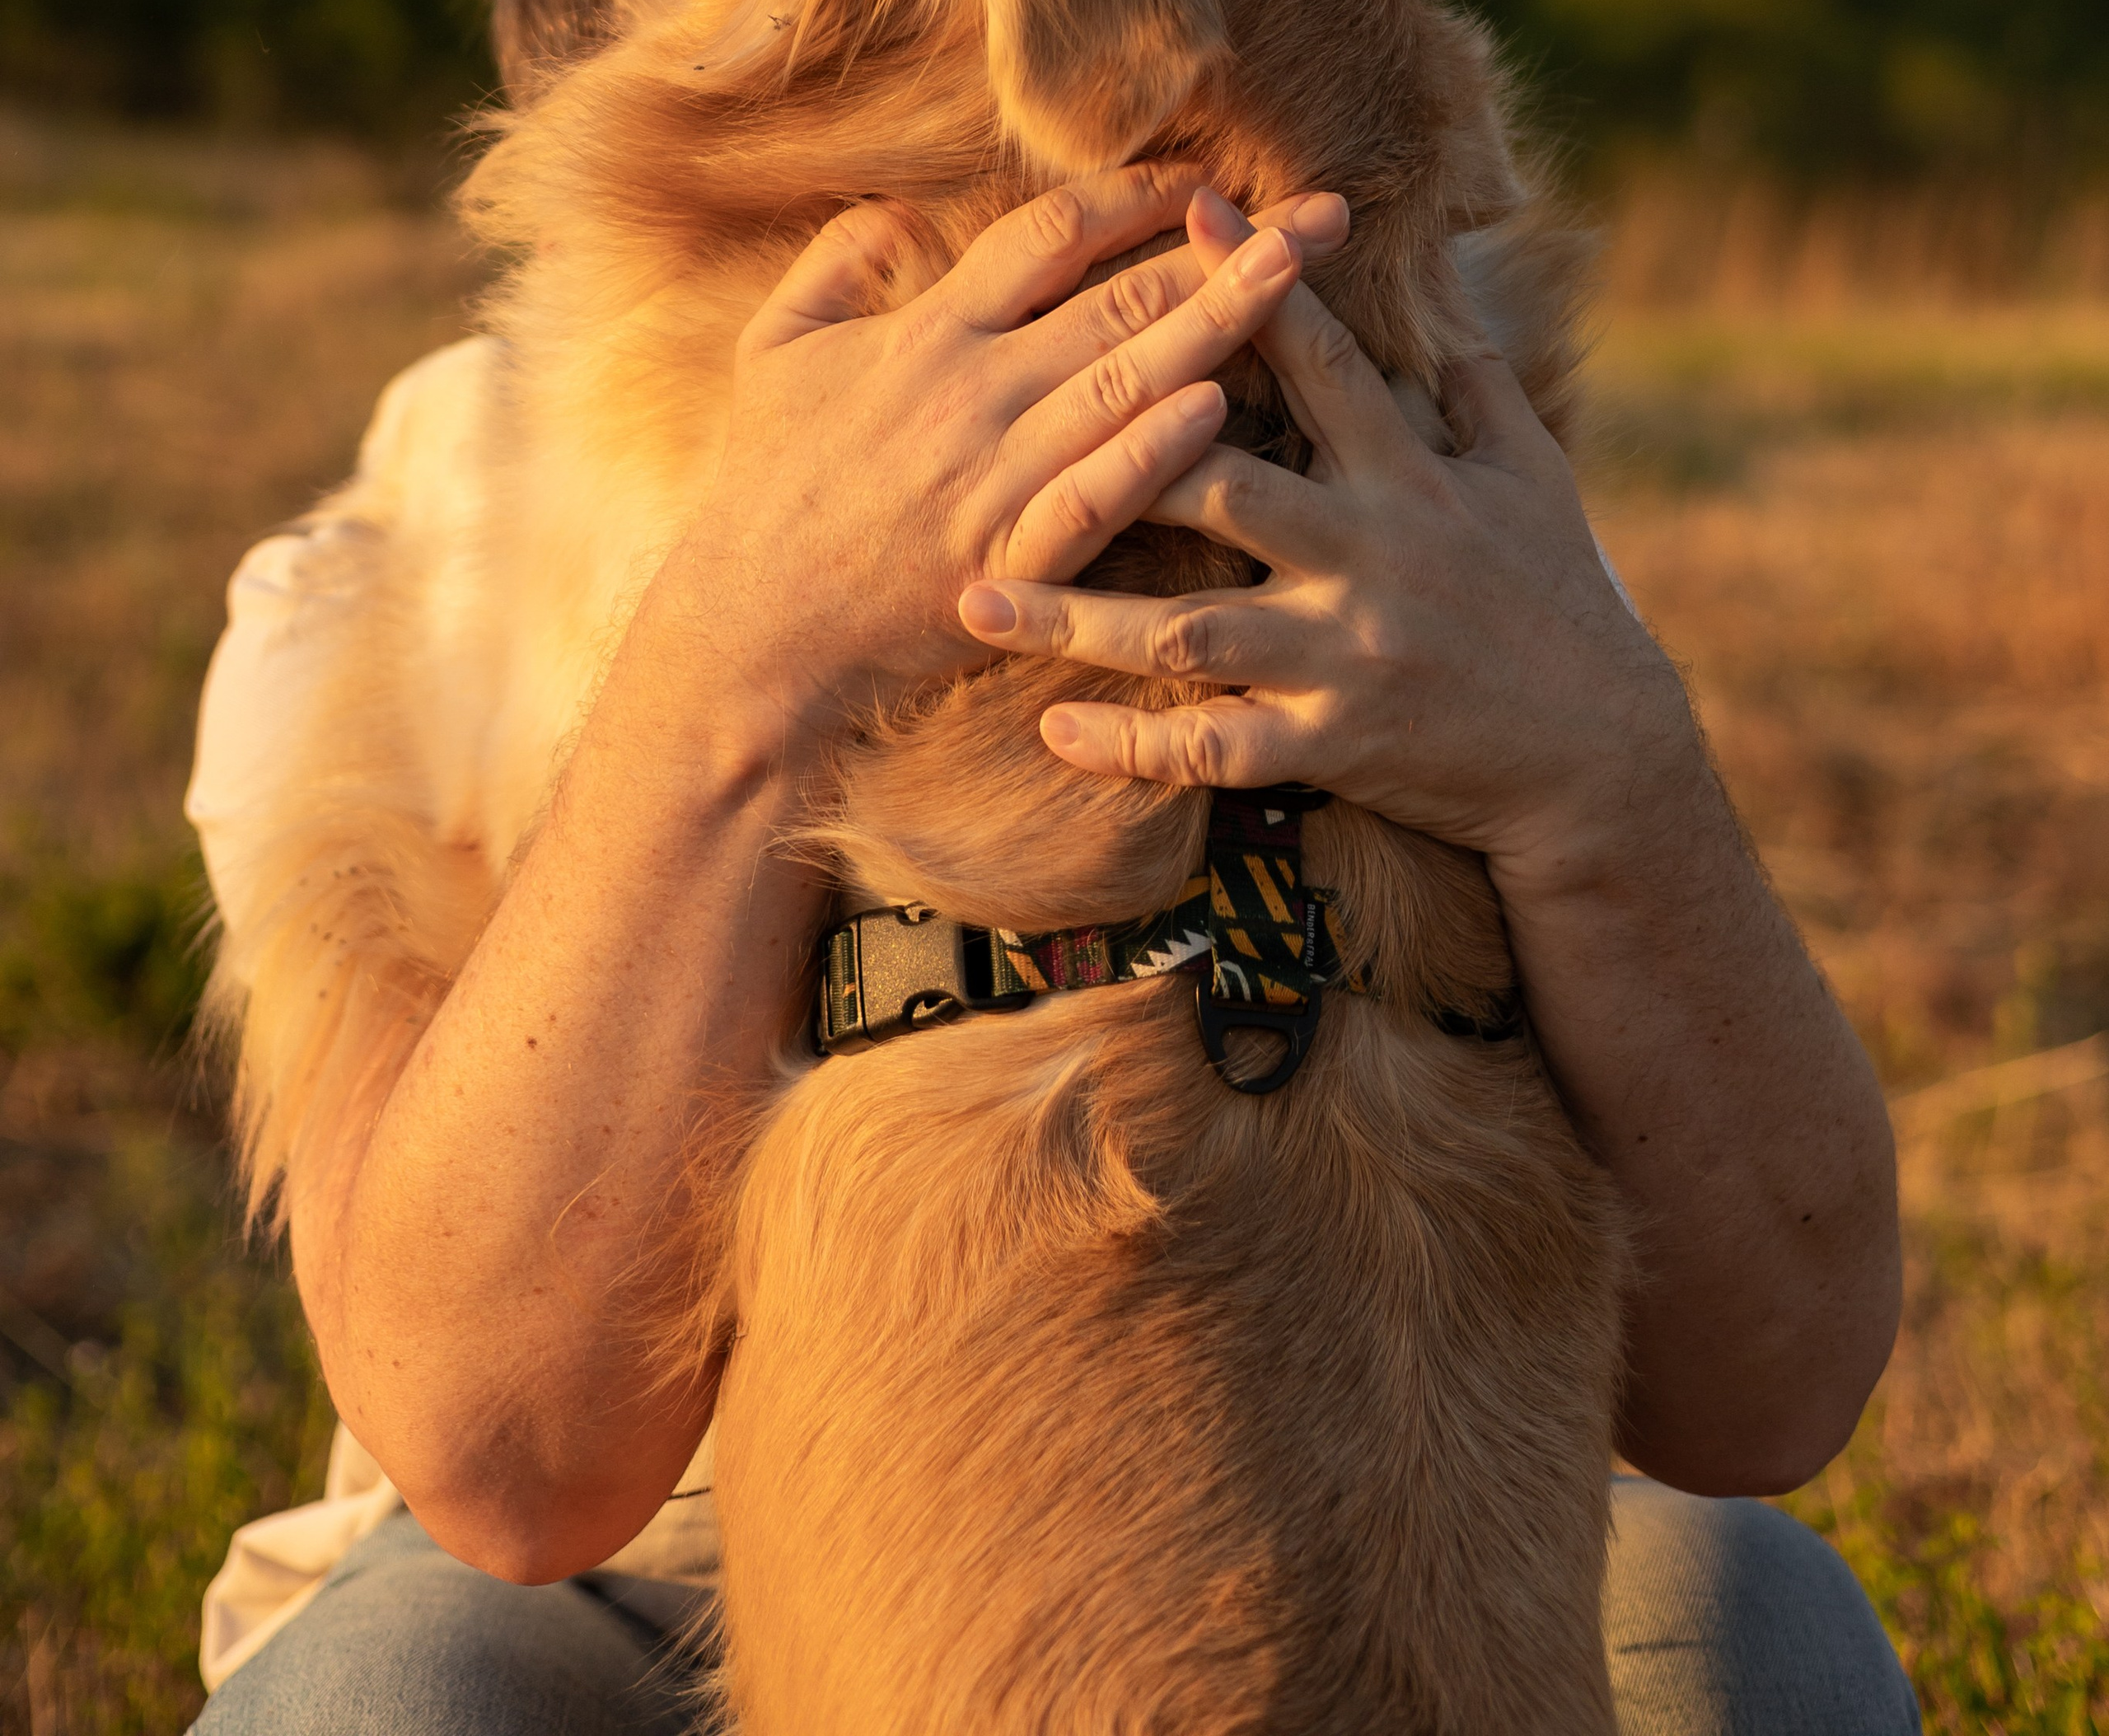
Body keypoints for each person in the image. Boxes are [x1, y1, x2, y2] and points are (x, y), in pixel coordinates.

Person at [189, 166, 1917, 1734]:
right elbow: (508, 1470)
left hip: (1404, 1415)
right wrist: (737, 646)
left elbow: (1767, 1395)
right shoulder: (424, 504)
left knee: (1752, 1615)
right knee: (392, 1692)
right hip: (615, 1552)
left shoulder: (1392, 431)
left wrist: (1606, 769)